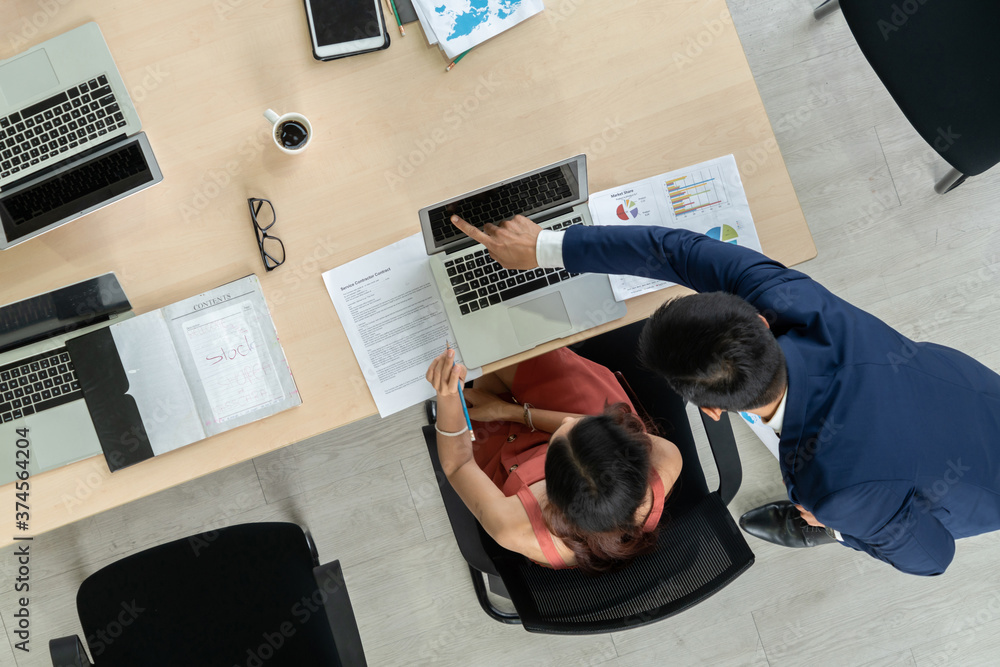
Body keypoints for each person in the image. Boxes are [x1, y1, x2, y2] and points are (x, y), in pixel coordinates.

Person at [449, 213, 1000, 577]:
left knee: (847, 513)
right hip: (970, 395)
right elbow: (679, 250)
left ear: (709, 409)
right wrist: (547, 245)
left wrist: (837, 525)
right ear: (756, 318)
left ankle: (817, 530)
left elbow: (933, 556)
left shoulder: (837, 491)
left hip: (971, 487)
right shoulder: (795, 299)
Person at [425, 345, 682, 572]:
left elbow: (458, 464)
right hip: (590, 441)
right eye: (579, 425)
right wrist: (510, 411)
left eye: (555, 441)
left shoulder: (514, 527)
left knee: (487, 358)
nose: (569, 419)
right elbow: (583, 424)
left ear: (547, 486)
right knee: (502, 346)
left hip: (508, 469)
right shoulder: (666, 460)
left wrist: (447, 398)